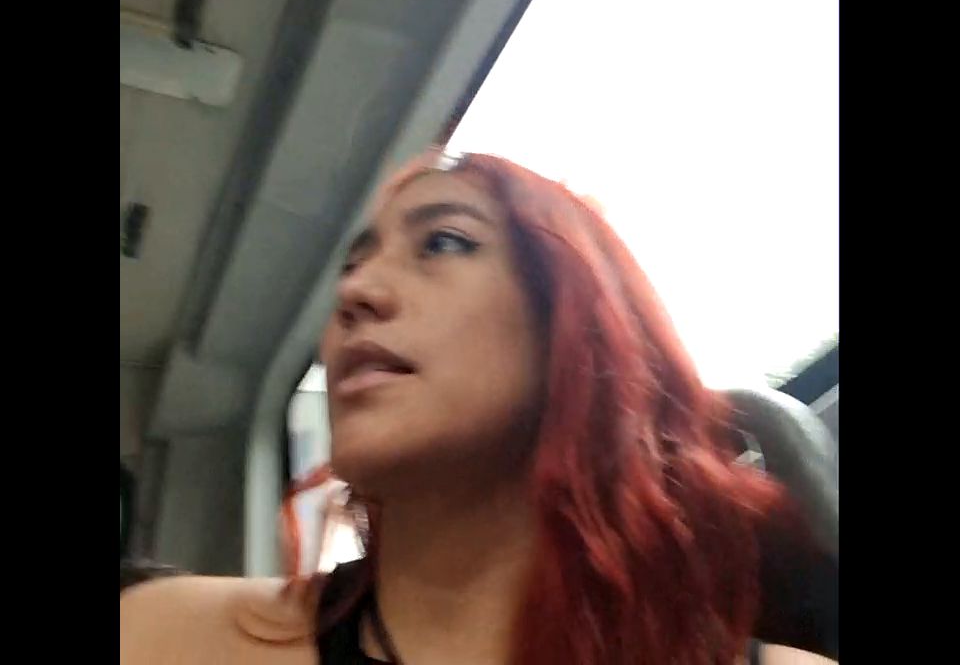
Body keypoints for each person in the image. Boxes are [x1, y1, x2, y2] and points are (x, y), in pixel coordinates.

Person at [121, 152, 837, 664]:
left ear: (577, 324)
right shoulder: (158, 636)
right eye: (352, 265)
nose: (355, 293)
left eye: (443, 242)